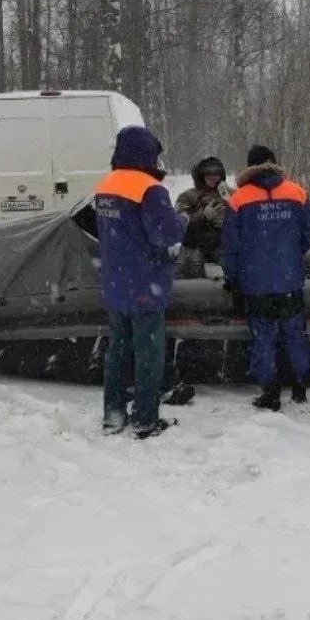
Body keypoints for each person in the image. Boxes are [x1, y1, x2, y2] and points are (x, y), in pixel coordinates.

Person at [94, 125, 189, 439]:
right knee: (148, 354)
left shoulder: (106, 185)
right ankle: (145, 418)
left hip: (115, 282)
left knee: (117, 351)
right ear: (148, 153)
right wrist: (183, 219)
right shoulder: (150, 189)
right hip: (146, 283)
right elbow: (167, 234)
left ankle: (113, 413)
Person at [221, 144, 310, 411]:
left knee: (263, 337)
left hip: (256, 284)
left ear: (249, 167)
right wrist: (290, 251)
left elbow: (230, 246)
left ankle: (270, 390)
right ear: (274, 163)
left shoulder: (239, 199)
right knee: (295, 334)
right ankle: (300, 386)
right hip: (289, 280)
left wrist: (234, 276)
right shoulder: (297, 192)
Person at [174, 157, 231, 278]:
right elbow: (178, 226)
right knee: (189, 271)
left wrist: (230, 206)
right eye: (208, 173)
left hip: (222, 245)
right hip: (194, 244)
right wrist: (203, 216)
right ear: (200, 175)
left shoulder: (230, 194)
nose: (213, 177)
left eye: (217, 173)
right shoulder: (188, 196)